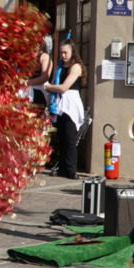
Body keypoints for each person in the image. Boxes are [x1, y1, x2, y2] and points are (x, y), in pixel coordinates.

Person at [43, 40, 85, 179]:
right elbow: (54, 87)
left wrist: (48, 87)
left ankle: (71, 169)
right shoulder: (59, 68)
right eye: (61, 53)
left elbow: (63, 87)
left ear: (72, 52)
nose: (63, 55)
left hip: (70, 105)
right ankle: (62, 167)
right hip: (59, 104)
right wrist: (49, 103)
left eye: (65, 52)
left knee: (69, 138)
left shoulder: (76, 67)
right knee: (61, 138)